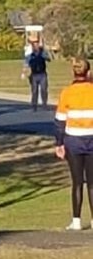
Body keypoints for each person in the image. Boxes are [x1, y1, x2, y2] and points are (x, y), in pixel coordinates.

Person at [55, 57, 93, 231]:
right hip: (91, 139)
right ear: (88, 72)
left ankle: (76, 221)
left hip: (73, 140)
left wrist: (59, 143)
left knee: (77, 182)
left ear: (74, 72)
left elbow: (60, 121)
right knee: (92, 183)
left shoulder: (67, 93)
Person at [21, 41, 51, 111]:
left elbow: (49, 59)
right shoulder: (30, 56)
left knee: (44, 90)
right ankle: (34, 105)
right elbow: (26, 65)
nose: (36, 47)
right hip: (34, 75)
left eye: (37, 45)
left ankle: (44, 104)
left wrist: (45, 54)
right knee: (34, 91)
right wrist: (23, 73)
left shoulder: (43, 54)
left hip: (42, 74)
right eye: (34, 46)